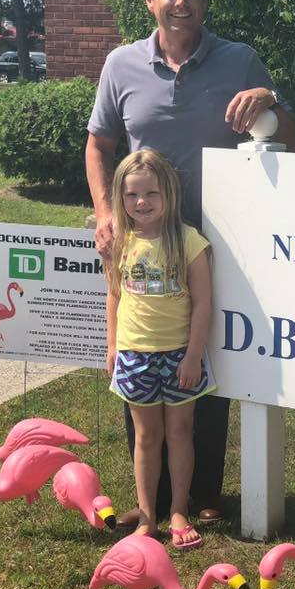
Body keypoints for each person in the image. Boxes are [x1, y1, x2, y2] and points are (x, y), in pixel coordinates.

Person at [86, 0, 295, 528]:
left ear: (206, 2)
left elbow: (294, 138)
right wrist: (107, 211)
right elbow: (100, 146)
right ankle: (151, 498)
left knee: (204, 353)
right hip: (142, 236)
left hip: (218, 238)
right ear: (150, 0)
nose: (182, 3)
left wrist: (272, 105)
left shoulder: (239, 61)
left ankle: (203, 491)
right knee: (139, 345)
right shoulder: (120, 65)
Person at [106, 148, 215, 548]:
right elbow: (115, 295)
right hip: (135, 354)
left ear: (168, 194)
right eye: (132, 195)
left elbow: (203, 302)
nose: (141, 203)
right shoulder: (121, 241)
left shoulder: (189, 241)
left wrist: (192, 355)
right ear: (121, 198)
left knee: (181, 432)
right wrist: (113, 344)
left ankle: (179, 510)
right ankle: (148, 515)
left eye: (151, 193)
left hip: (178, 354)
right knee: (146, 437)